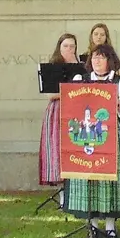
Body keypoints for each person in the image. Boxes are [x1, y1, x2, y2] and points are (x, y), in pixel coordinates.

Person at [61, 44, 120, 238]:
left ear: (109, 60)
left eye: (101, 58)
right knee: (89, 177)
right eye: (94, 58)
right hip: (86, 136)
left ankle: (111, 225)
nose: (97, 61)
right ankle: (93, 226)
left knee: (112, 178)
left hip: (111, 134)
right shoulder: (80, 80)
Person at [38, 32, 82, 190]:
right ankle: (62, 191)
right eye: (66, 46)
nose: (69, 49)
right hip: (57, 111)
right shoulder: (53, 66)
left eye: (72, 46)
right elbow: (51, 94)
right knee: (57, 148)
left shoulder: (82, 66)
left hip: (76, 111)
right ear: (59, 47)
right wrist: (71, 91)